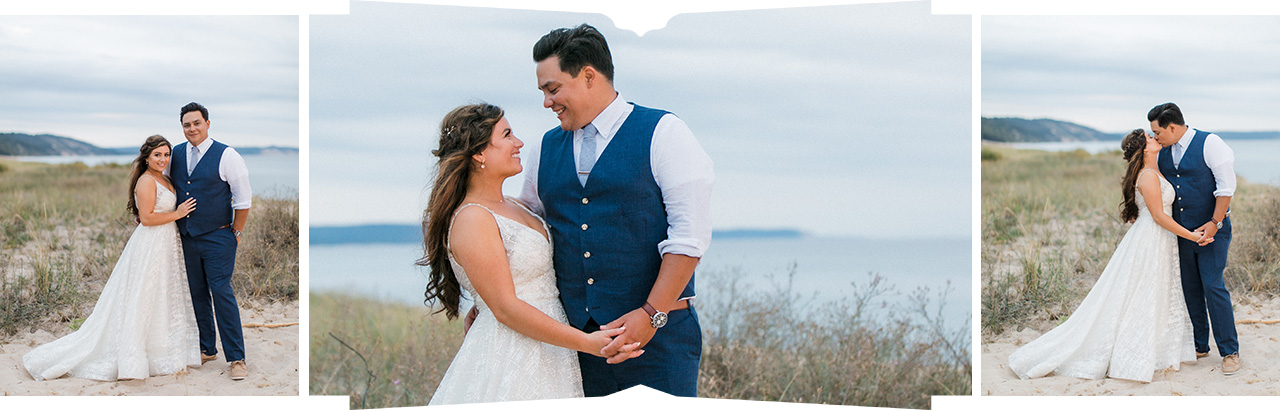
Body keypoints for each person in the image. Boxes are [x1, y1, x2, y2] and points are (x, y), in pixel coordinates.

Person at [517, 23, 715, 397]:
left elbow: (689, 239)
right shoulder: (544, 148)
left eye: (553, 88)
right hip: (574, 346)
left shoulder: (664, 132)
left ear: (589, 76)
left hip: (659, 344)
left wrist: (650, 315)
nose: (547, 102)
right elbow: (528, 230)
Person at [422, 104, 641, 405]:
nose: (519, 143)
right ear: (479, 153)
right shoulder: (472, 218)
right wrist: (588, 343)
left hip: (551, 347)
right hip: (511, 350)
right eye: (507, 135)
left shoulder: (517, 205)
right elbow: (505, 308)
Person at [1007, 129, 1200, 382]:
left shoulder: (1154, 170)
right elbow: (1159, 216)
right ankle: (1131, 353)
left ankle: (1157, 349)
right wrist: (1192, 235)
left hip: (1157, 238)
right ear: (1144, 149)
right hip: (1151, 237)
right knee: (1141, 293)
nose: (1156, 138)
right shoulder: (1149, 176)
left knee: (1152, 292)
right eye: (1151, 138)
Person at [23, 135, 201, 381]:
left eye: (167, 154)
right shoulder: (147, 181)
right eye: (158, 155)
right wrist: (178, 213)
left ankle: (162, 350)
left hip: (166, 242)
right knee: (144, 294)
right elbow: (147, 218)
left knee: (161, 294)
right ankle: (133, 353)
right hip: (151, 244)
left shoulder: (165, 178)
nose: (163, 159)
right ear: (146, 157)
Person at [1148, 102, 1241, 375]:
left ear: (1173, 127)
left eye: (1157, 132)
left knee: (1213, 286)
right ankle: (1200, 345)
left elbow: (1226, 187)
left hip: (1213, 231)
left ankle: (1230, 351)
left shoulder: (1211, 143)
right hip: (1181, 233)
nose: (1155, 137)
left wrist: (1214, 223)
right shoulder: (1163, 151)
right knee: (1190, 288)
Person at [167, 102, 253, 380]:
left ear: (207, 123)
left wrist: (236, 233)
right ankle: (207, 348)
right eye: (186, 125)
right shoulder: (176, 154)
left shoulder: (227, 155)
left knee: (221, 292)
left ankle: (237, 358)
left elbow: (243, 199)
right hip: (187, 236)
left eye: (196, 123)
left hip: (219, 236)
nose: (191, 129)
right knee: (197, 292)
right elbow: (165, 186)